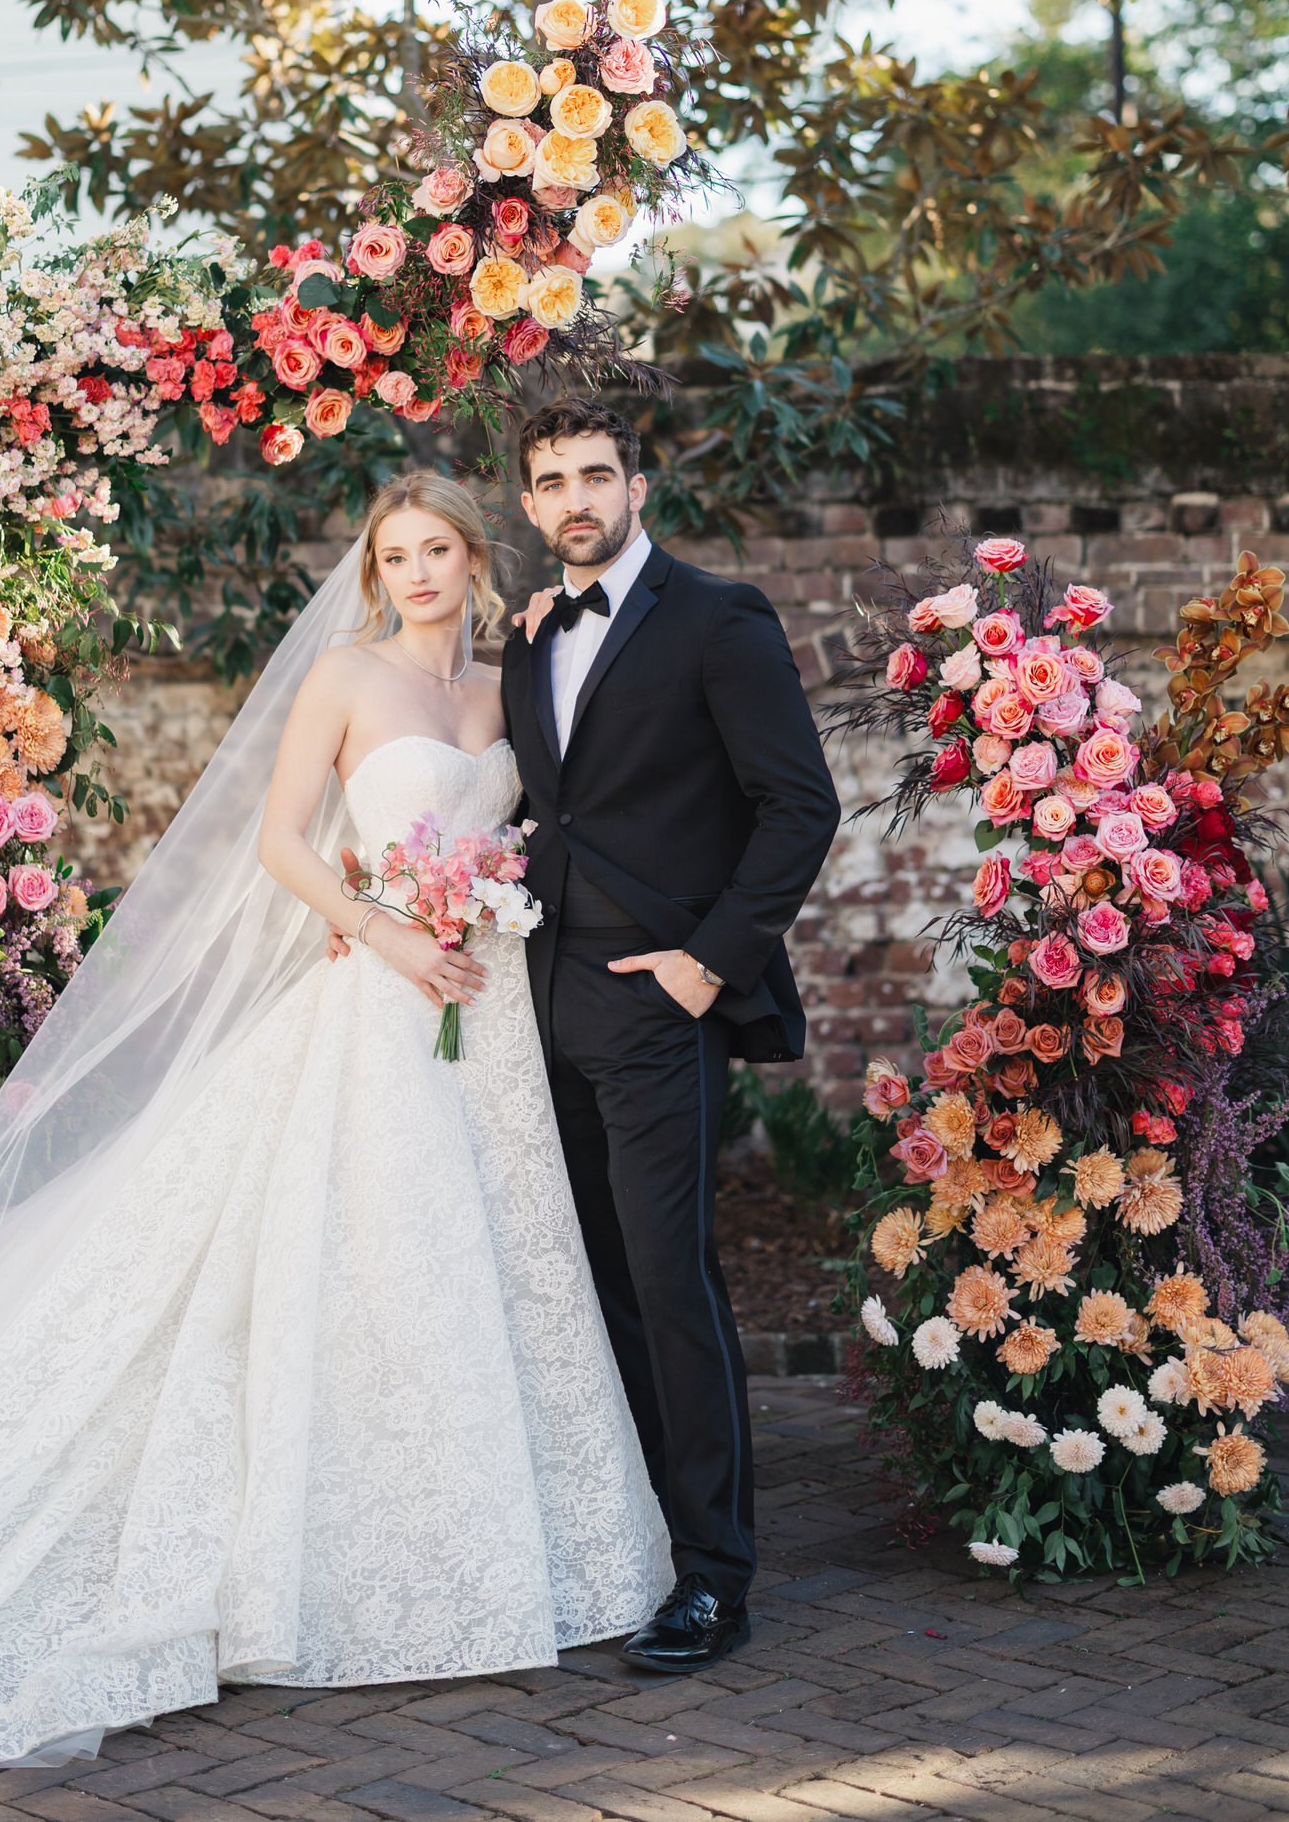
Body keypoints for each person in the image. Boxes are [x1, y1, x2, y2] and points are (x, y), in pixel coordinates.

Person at [0, 472, 670, 1780]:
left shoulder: (504, 691)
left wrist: (477, 897)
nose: (417, 571)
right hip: (378, 995)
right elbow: (278, 843)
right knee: (376, 1244)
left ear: (475, 563)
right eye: (395, 553)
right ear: (375, 573)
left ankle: (491, 1550)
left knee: (495, 1257)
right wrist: (376, 924)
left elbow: (542, 828)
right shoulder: (349, 680)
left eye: (436, 550)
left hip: (488, 1015)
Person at [500, 399, 840, 1674]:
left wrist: (707, 962)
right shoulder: (525, 638)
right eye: (551, 481)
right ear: (530, 507)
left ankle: (713, 1576)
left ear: (635, 485)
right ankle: (632, 1539)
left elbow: (797, 805)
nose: (576, 496)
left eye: (597, 473)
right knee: (591, 1295)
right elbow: (548, 812)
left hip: (657, 1008)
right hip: (538, 1014)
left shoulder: (717, 617)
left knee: (670, 1285)